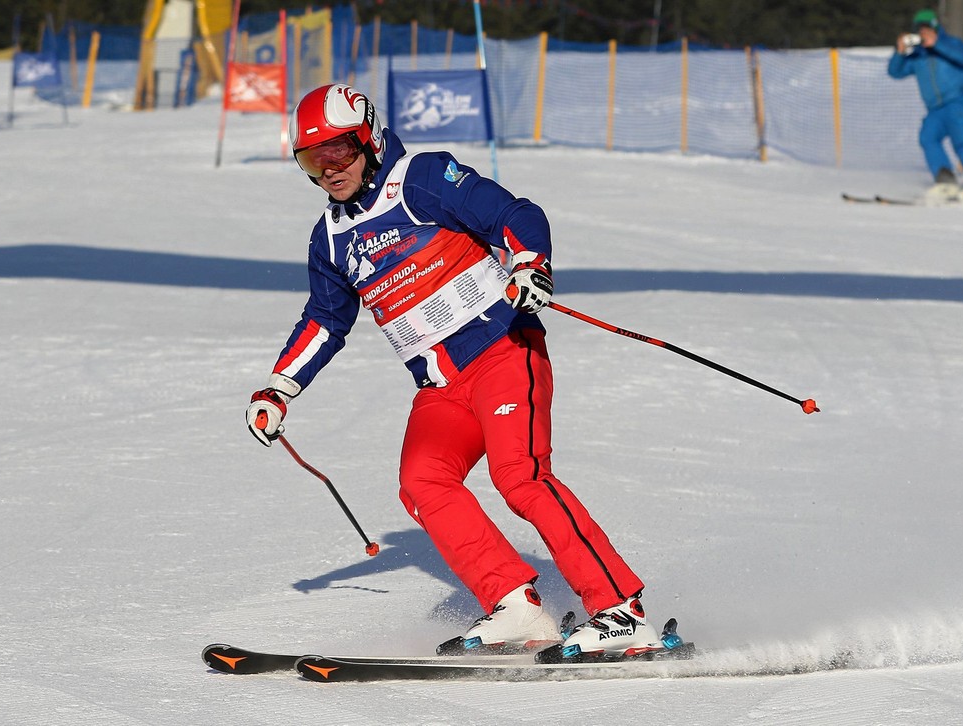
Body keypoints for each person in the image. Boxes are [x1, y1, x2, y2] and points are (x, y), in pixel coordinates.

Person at [244, 84, 665, 661]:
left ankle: (621, 610)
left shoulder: (419, 180)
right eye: (313, 161)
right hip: (440, 386)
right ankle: (515, 605)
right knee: (423, 480)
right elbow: (325, 319)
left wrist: (529, 263)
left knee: (520, 476)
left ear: (369, 139)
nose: (329, 170)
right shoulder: (331, 238)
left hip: (502, 351)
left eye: (338, 151)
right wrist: (279, 388)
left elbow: (514, 214)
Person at [887, 8, 963, 198]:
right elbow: (895, 72)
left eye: (927, 28)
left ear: (935, 28)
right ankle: (946, 181)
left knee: (962, 140)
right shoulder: (918, 55)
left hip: (957, 103)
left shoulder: (950, 43)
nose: (923, 32)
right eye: (920, 29)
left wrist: (936, 44)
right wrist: (899, 51)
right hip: (935, 109)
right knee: (928, 138)